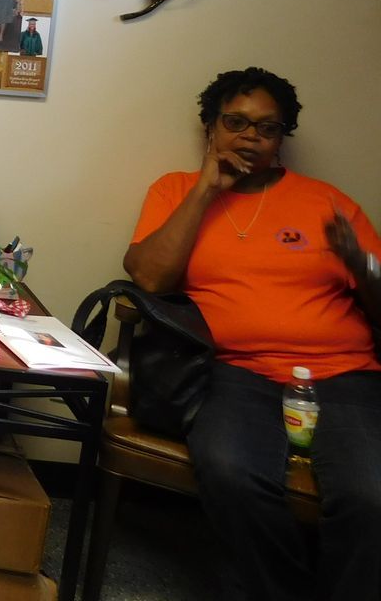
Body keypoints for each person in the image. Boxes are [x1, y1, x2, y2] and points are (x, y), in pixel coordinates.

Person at [125, 68, 381, 601]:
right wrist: (205, 191)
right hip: (235, 372)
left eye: (266, 128)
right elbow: (149, 277)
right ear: (209, 128)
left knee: (370, 496)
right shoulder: (175, 190)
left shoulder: (328, 202)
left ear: (281, 138)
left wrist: (363, 268)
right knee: (232, 472)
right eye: (235, 122)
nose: (249, 136)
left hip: (343, 375)